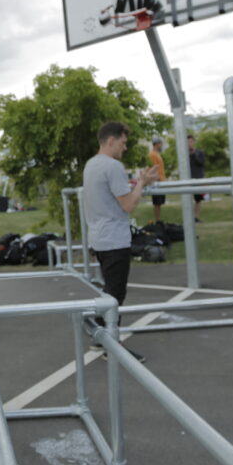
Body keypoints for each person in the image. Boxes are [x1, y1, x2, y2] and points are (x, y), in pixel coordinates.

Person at [82, 122, 158, 363]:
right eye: (123, 143)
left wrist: (138, 183)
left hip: (99, 237)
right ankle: (110, 346)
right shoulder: (113, 166)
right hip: (114, 239)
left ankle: (98, 335)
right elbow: (128, 204)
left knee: (109, 290)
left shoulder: (91, 164)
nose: (124, 148)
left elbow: (116, 196)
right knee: (115, 295)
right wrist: (142, 185)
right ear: (111, 141)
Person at [188, 134, 207, 222]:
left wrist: (194, 154)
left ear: (194, 142)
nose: (189, 143)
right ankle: (189, 217)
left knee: (198, 199)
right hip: (188, 179)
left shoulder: (199, 152)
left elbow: (201, 163)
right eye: (188, 142)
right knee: (188, 198)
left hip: (198, 178)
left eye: (191, 141)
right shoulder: (184, 154)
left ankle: (195, 217)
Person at [149, 137, 167, 222]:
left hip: (161, 180)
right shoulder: (152, 154)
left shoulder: (157, 154)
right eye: (160, 143)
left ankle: (159, 220)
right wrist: (157, 178)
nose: (161, 145)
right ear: (157, 144)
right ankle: (158, 220)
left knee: (160, 202)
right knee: (156, 202)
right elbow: (153, 167)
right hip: (157, 181)